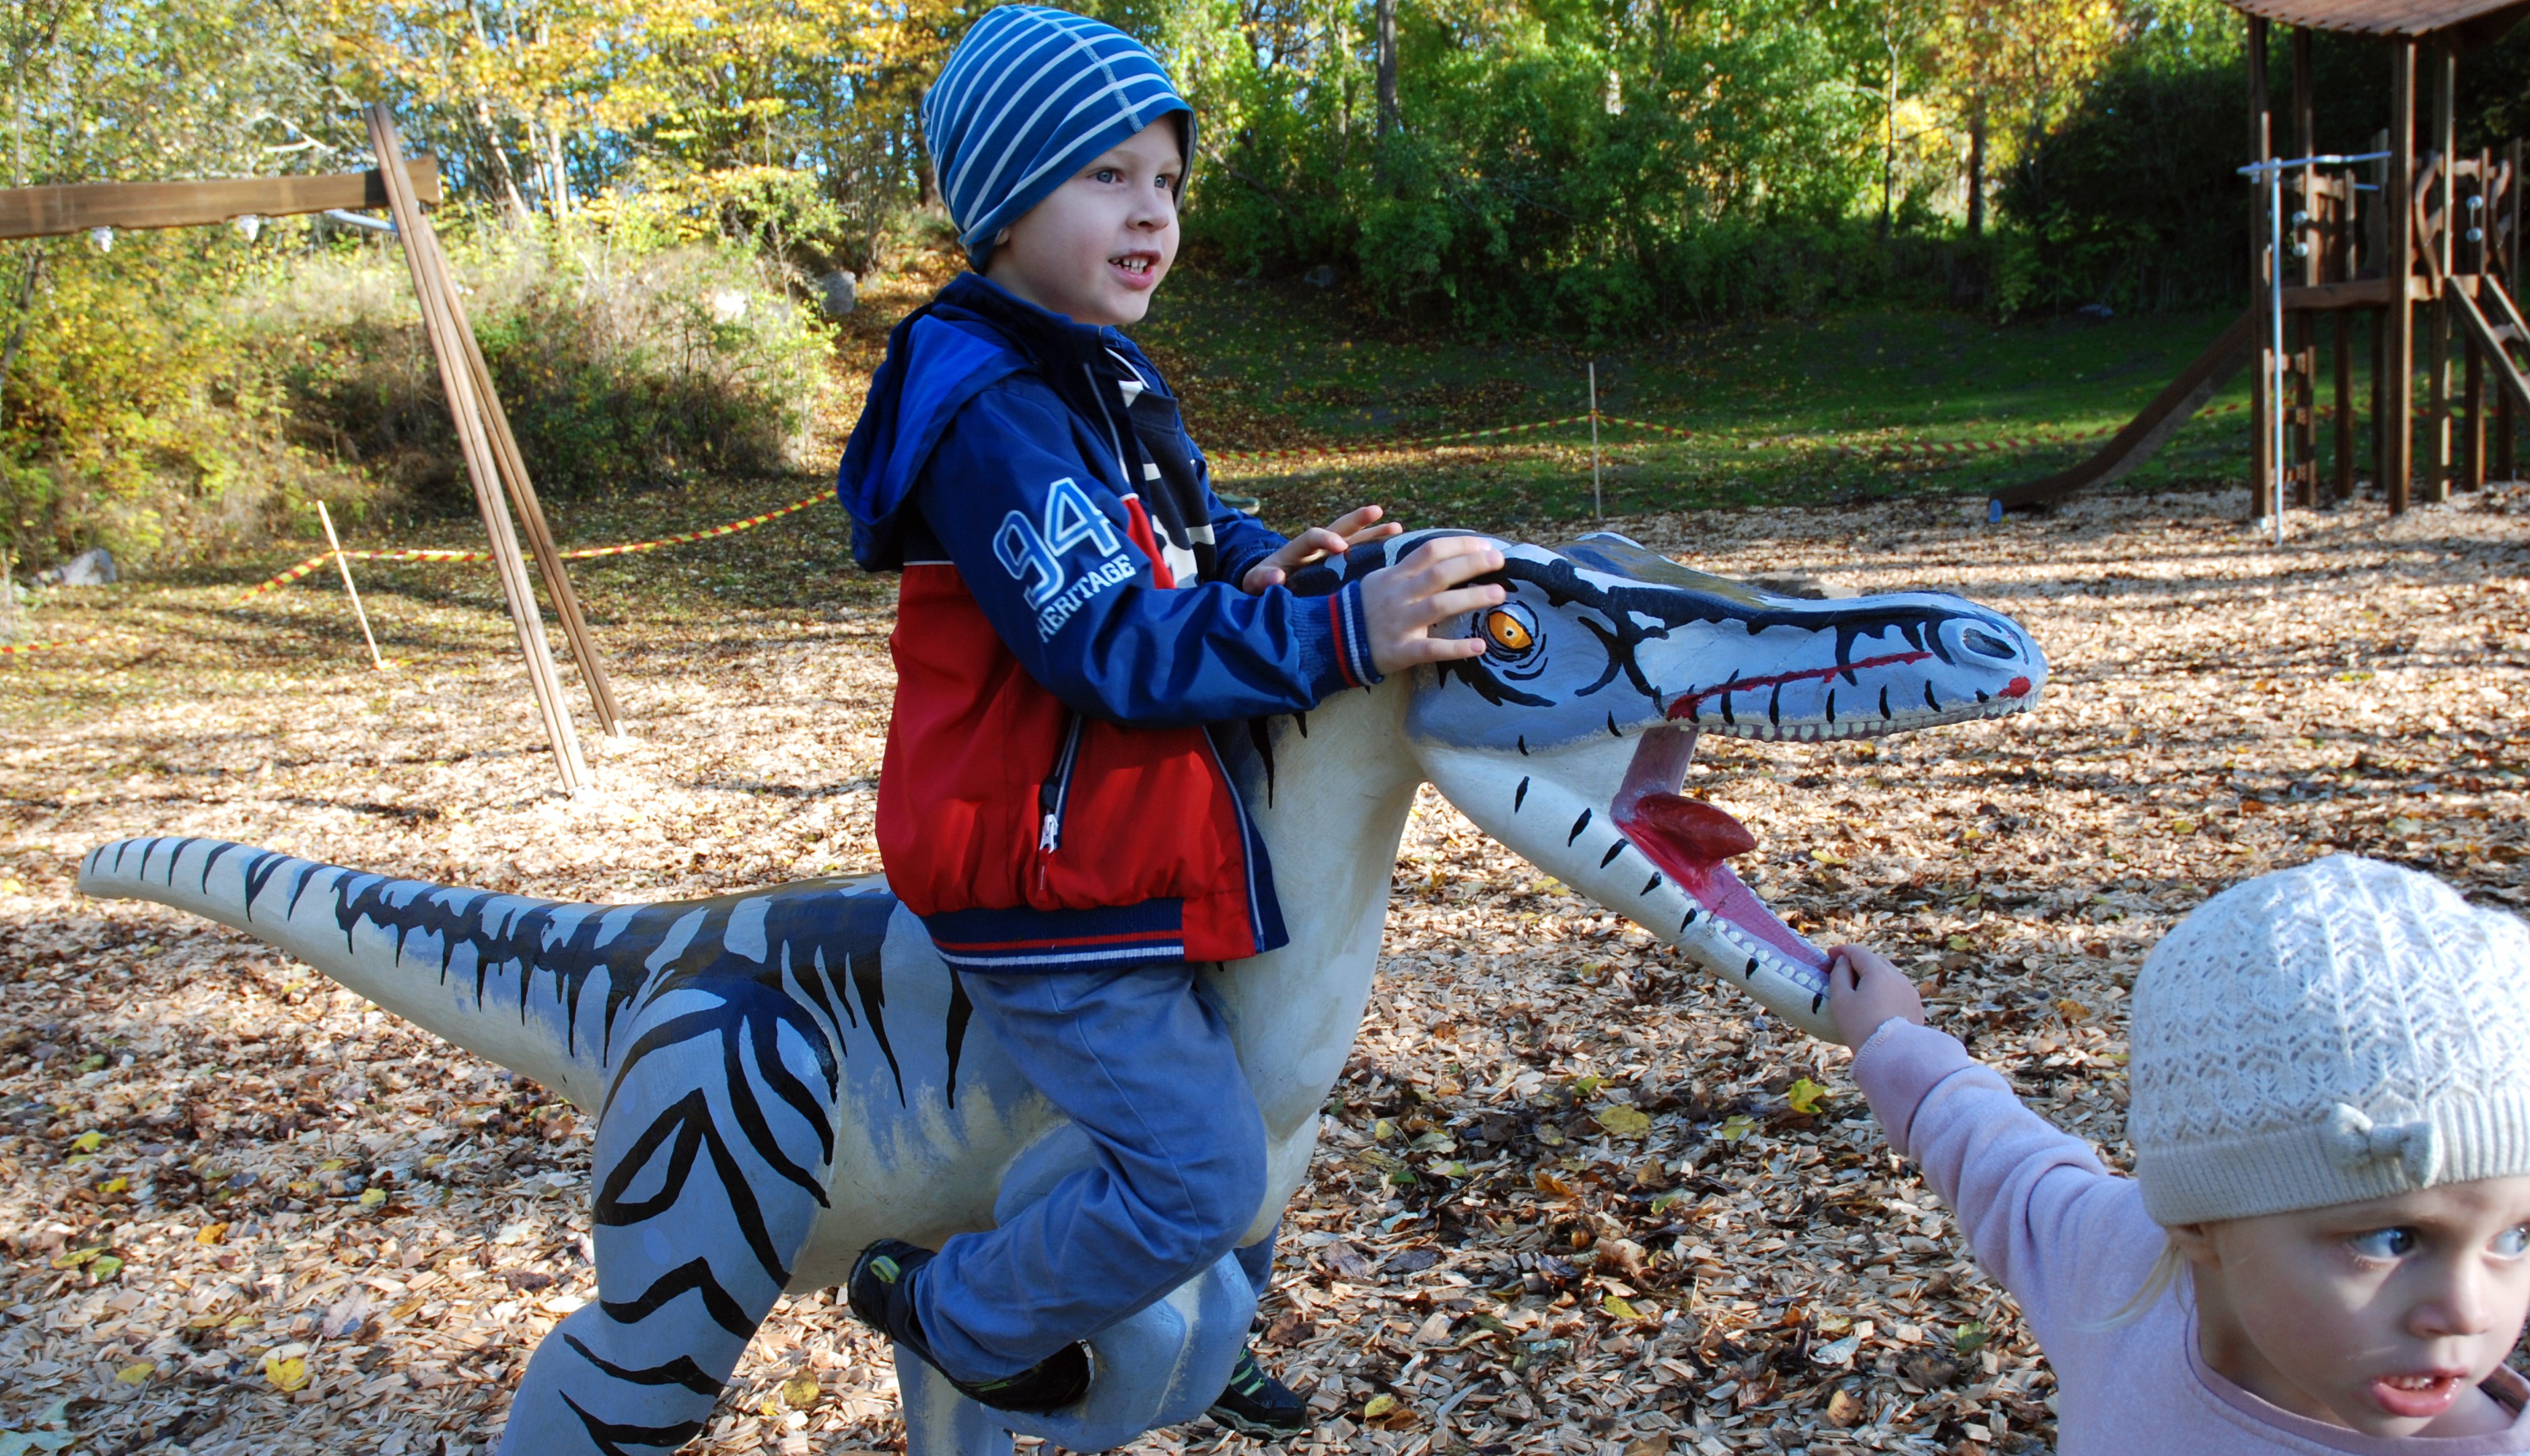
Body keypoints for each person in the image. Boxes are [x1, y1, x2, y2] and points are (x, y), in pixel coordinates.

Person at [833, 3, 1507, 1434]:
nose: (1151, 216)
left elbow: (1174, 536)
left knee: (1269, 1096)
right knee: (1202, 1163)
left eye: (1167, 182)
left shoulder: (1092, 365)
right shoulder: (991, 405)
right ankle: (955, 1307)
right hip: (1035, 860)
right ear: (1007, 201)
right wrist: (1340, 631)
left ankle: (1199, 1324)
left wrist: (1267, 560)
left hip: (1131, 838)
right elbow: (1105, 639)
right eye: (1106, 177)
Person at [1825, 854, 2530, 1453]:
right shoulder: (2114, 1264)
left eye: (2514, 1236)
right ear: (2197, 1220)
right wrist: (1893, 1038)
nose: (2468, 1311)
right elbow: (2003, 1164)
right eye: (2392, 1237)